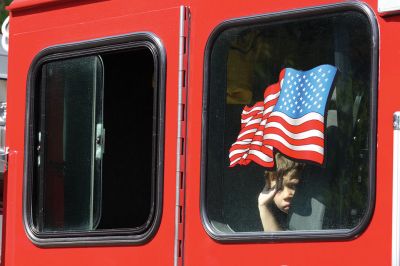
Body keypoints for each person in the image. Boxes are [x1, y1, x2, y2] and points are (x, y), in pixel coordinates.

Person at [258, 153, 305, 232]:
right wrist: (263, 205)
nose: (287, 195)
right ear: (268, 189)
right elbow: (278, 244)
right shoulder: (272, 215)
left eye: (293, 186)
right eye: (278, 188)